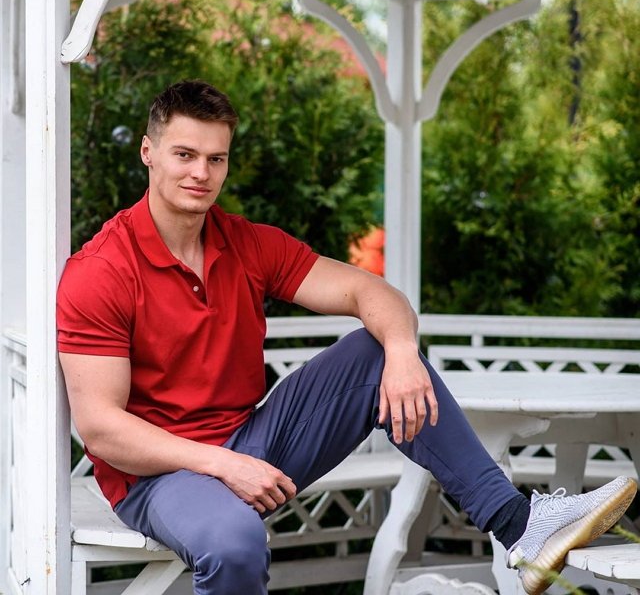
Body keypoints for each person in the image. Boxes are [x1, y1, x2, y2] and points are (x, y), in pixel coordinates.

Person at [57, 80, 636, 595]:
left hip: (251, 440)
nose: (200, 174)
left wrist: (403, 353)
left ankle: (520, 526)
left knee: (373, 351)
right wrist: (221, 465)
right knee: (234, 543)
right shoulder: (102, 270)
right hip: (160, 475)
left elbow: (370, 292)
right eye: (184, 155)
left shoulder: (247, 243)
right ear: (148, 152)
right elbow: (101, 428)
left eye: (216, 158)